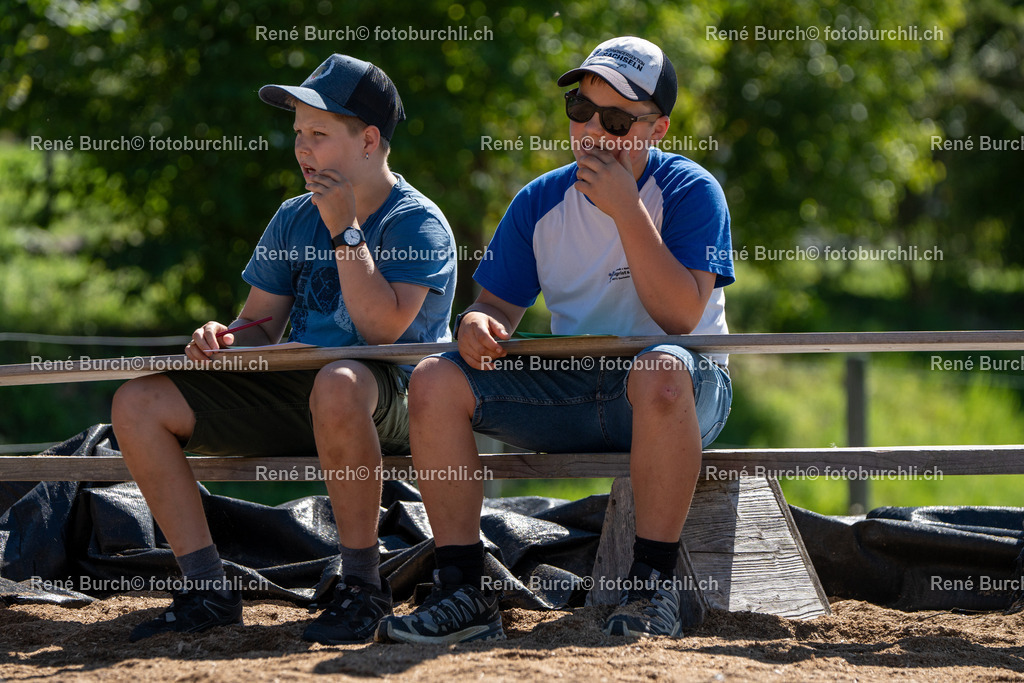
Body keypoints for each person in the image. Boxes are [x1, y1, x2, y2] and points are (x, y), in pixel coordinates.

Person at [375, 36, 734, 644]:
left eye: (616, 120)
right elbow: (492, 310)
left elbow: (679, 317)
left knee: (660, 371)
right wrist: (474, 325)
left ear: (657, 130)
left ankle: (651, 590)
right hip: (576, 388)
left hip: (683, 391)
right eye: (580, 110)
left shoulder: (692, 191)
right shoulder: (539, 200)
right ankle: (463, 588)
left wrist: (627, 212)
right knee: (435, 378)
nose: (592, 130)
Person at [110, 53, 457, 644]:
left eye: (318, 134)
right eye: (298, 133)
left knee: (341, 381)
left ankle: (363, 587)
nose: (301, 148)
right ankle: (207, 590)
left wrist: (346, 230)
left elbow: (381, 334)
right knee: (137, 403)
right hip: (301, 391)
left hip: (396, 400)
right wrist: (222, 335)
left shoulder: (415, 222)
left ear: (369, 140)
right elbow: (261, 325)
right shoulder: (293, 217)